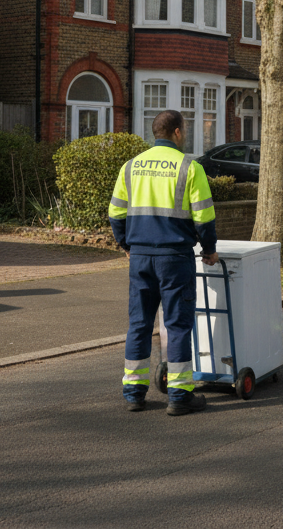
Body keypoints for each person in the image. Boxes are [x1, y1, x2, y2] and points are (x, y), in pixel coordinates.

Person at [109, 111, 218, 416]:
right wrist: (209, 249)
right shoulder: (189, 167)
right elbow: (205, 218)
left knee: (139, 324)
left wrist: (126, 244)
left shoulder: (130, 167)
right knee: (178, 324)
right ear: (177, 132)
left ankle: (133, 393)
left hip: (141, 257)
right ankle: (180, 396)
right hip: (174, 257)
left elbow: (116, 214)